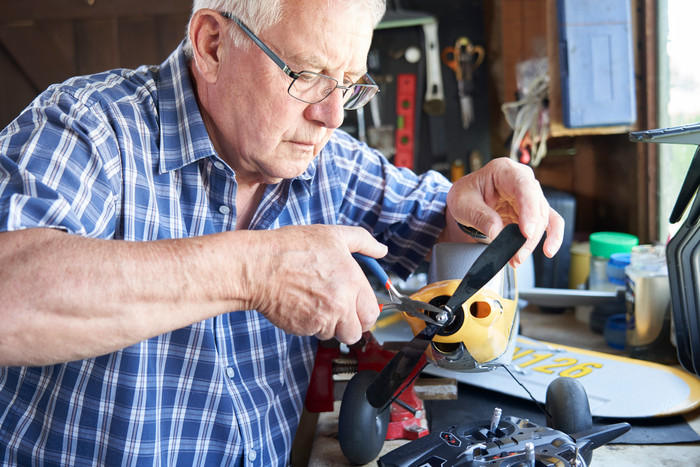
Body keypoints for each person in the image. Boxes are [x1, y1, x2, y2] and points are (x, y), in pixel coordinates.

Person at [0, 0, 564, 464]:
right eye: (309, 75)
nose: (334, 116)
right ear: (213, 44)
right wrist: (256, 271)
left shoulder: (327, 160)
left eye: (349, 84)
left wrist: (471, 206)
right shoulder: (90, 128)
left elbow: (437, 222)